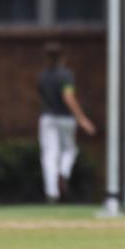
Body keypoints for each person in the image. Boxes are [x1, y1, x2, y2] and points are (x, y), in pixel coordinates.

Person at [38, 42, 96, 203]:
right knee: (69, 150)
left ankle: (51, 192)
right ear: (63, 58)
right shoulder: (66, 75)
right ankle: (63, 172)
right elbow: (68, 97)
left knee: (49, 154)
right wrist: (82, 119)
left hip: (47, 118)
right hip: (65, 119)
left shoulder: (43, 76)